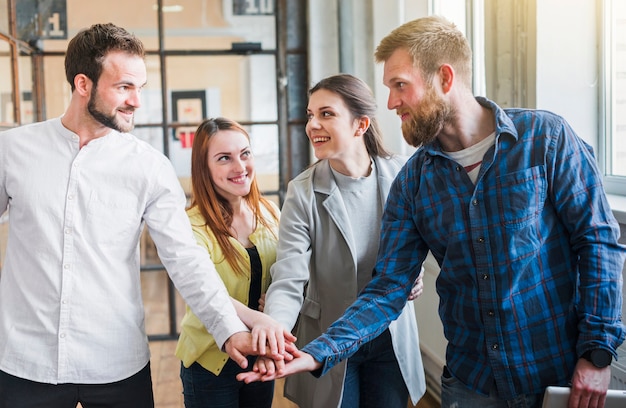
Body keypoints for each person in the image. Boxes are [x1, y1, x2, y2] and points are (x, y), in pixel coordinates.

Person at [239, 16, 626, 408]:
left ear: (444, 77)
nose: (391, 102)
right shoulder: (413, 183)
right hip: (471, 382)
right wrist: (319, 352)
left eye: (400, 85)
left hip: (557, 374)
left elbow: (598, 243)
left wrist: (597, 352)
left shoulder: (545, 139)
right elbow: (388, 288)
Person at [0, 23, 292, 408]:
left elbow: (186, 261)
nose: (136, 101)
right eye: (124, 87)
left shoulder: (150, 167)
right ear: (83, 84)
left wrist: (227, 330)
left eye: (140, 88)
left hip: (116, 365)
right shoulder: (13, 150)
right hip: (24, 363)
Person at [252, 74, 426, 408]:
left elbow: (422, 241)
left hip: (390, 335)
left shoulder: (403, 175)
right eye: (310, 114)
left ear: (361, 124)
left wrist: (412, 273)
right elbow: (289, 279)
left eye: (326, 114)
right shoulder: (302, 192)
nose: (312, 124)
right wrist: (274, 333)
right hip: (327, 336)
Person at [175, 117, 281, 408]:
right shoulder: (190, 225)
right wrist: (258, 317)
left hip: (261, 355)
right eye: (224, 158)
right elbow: (203, 290)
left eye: (245, 154)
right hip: (210, 361)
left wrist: (274, 301)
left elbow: (291, 271)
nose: (240, 167)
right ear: (204, 167)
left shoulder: (270, 213)